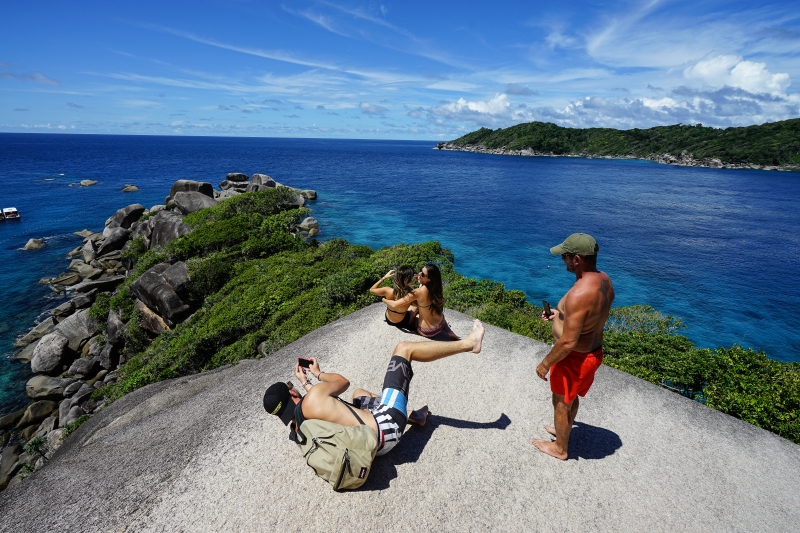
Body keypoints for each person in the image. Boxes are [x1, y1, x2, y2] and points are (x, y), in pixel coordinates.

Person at [263, 320, 485, 457]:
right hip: (387, 427)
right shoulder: (312, 398)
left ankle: (415, 416)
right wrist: (317, 374)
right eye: (293, 387)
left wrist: (306, 385)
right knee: (404, 349)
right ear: (292, 393)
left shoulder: (297, 431)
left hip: (372, 448)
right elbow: (342, 382)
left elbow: (321, 406)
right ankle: (469, 344)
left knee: (359, 395)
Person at [532, 233, 615, 460]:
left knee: (560, 401)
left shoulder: (579, 293)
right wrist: (560, 316)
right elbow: (589, 319)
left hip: (573, 358)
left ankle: (560, 447)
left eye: (565, 257)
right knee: (571, 396)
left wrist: (545, 363)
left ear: (576, 259)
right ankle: (563, 430)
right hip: (592, 353)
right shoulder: (604, 281)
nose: (563, 261)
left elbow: (568, 342)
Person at [386, 264, 457, 339]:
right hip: (440, 324)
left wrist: (384, 300)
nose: (419, 273)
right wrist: (420, 280)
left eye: (422, 274)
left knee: (414, 313)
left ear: (429, 279)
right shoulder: (436, 288)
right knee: (436, 312)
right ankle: (449, 330)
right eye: (420, 270)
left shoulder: (417, 292)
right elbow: (424, 291)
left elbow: (395, 305)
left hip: (426, 331)